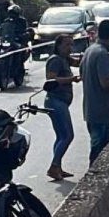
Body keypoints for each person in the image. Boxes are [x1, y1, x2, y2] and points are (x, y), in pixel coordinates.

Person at [79, 19, 109, 165]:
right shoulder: (103, 55)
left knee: (96, 147)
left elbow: (82, 74)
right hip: (103, 112)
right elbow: (106, 83)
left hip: (91, 110)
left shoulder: (89, 51)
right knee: (101, 152)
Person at [44, 34, 80, 181]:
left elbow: (78, 63)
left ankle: (57, 167)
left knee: (60, 136)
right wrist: (71, 79)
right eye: (66, 45)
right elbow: (51, 79)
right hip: (55, 101)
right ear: (58, 46)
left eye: (71, 45)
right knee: (67, 135)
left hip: (62, 101)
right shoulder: (55, 60)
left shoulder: (65, 59)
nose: (69, 48)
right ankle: (54, 166)